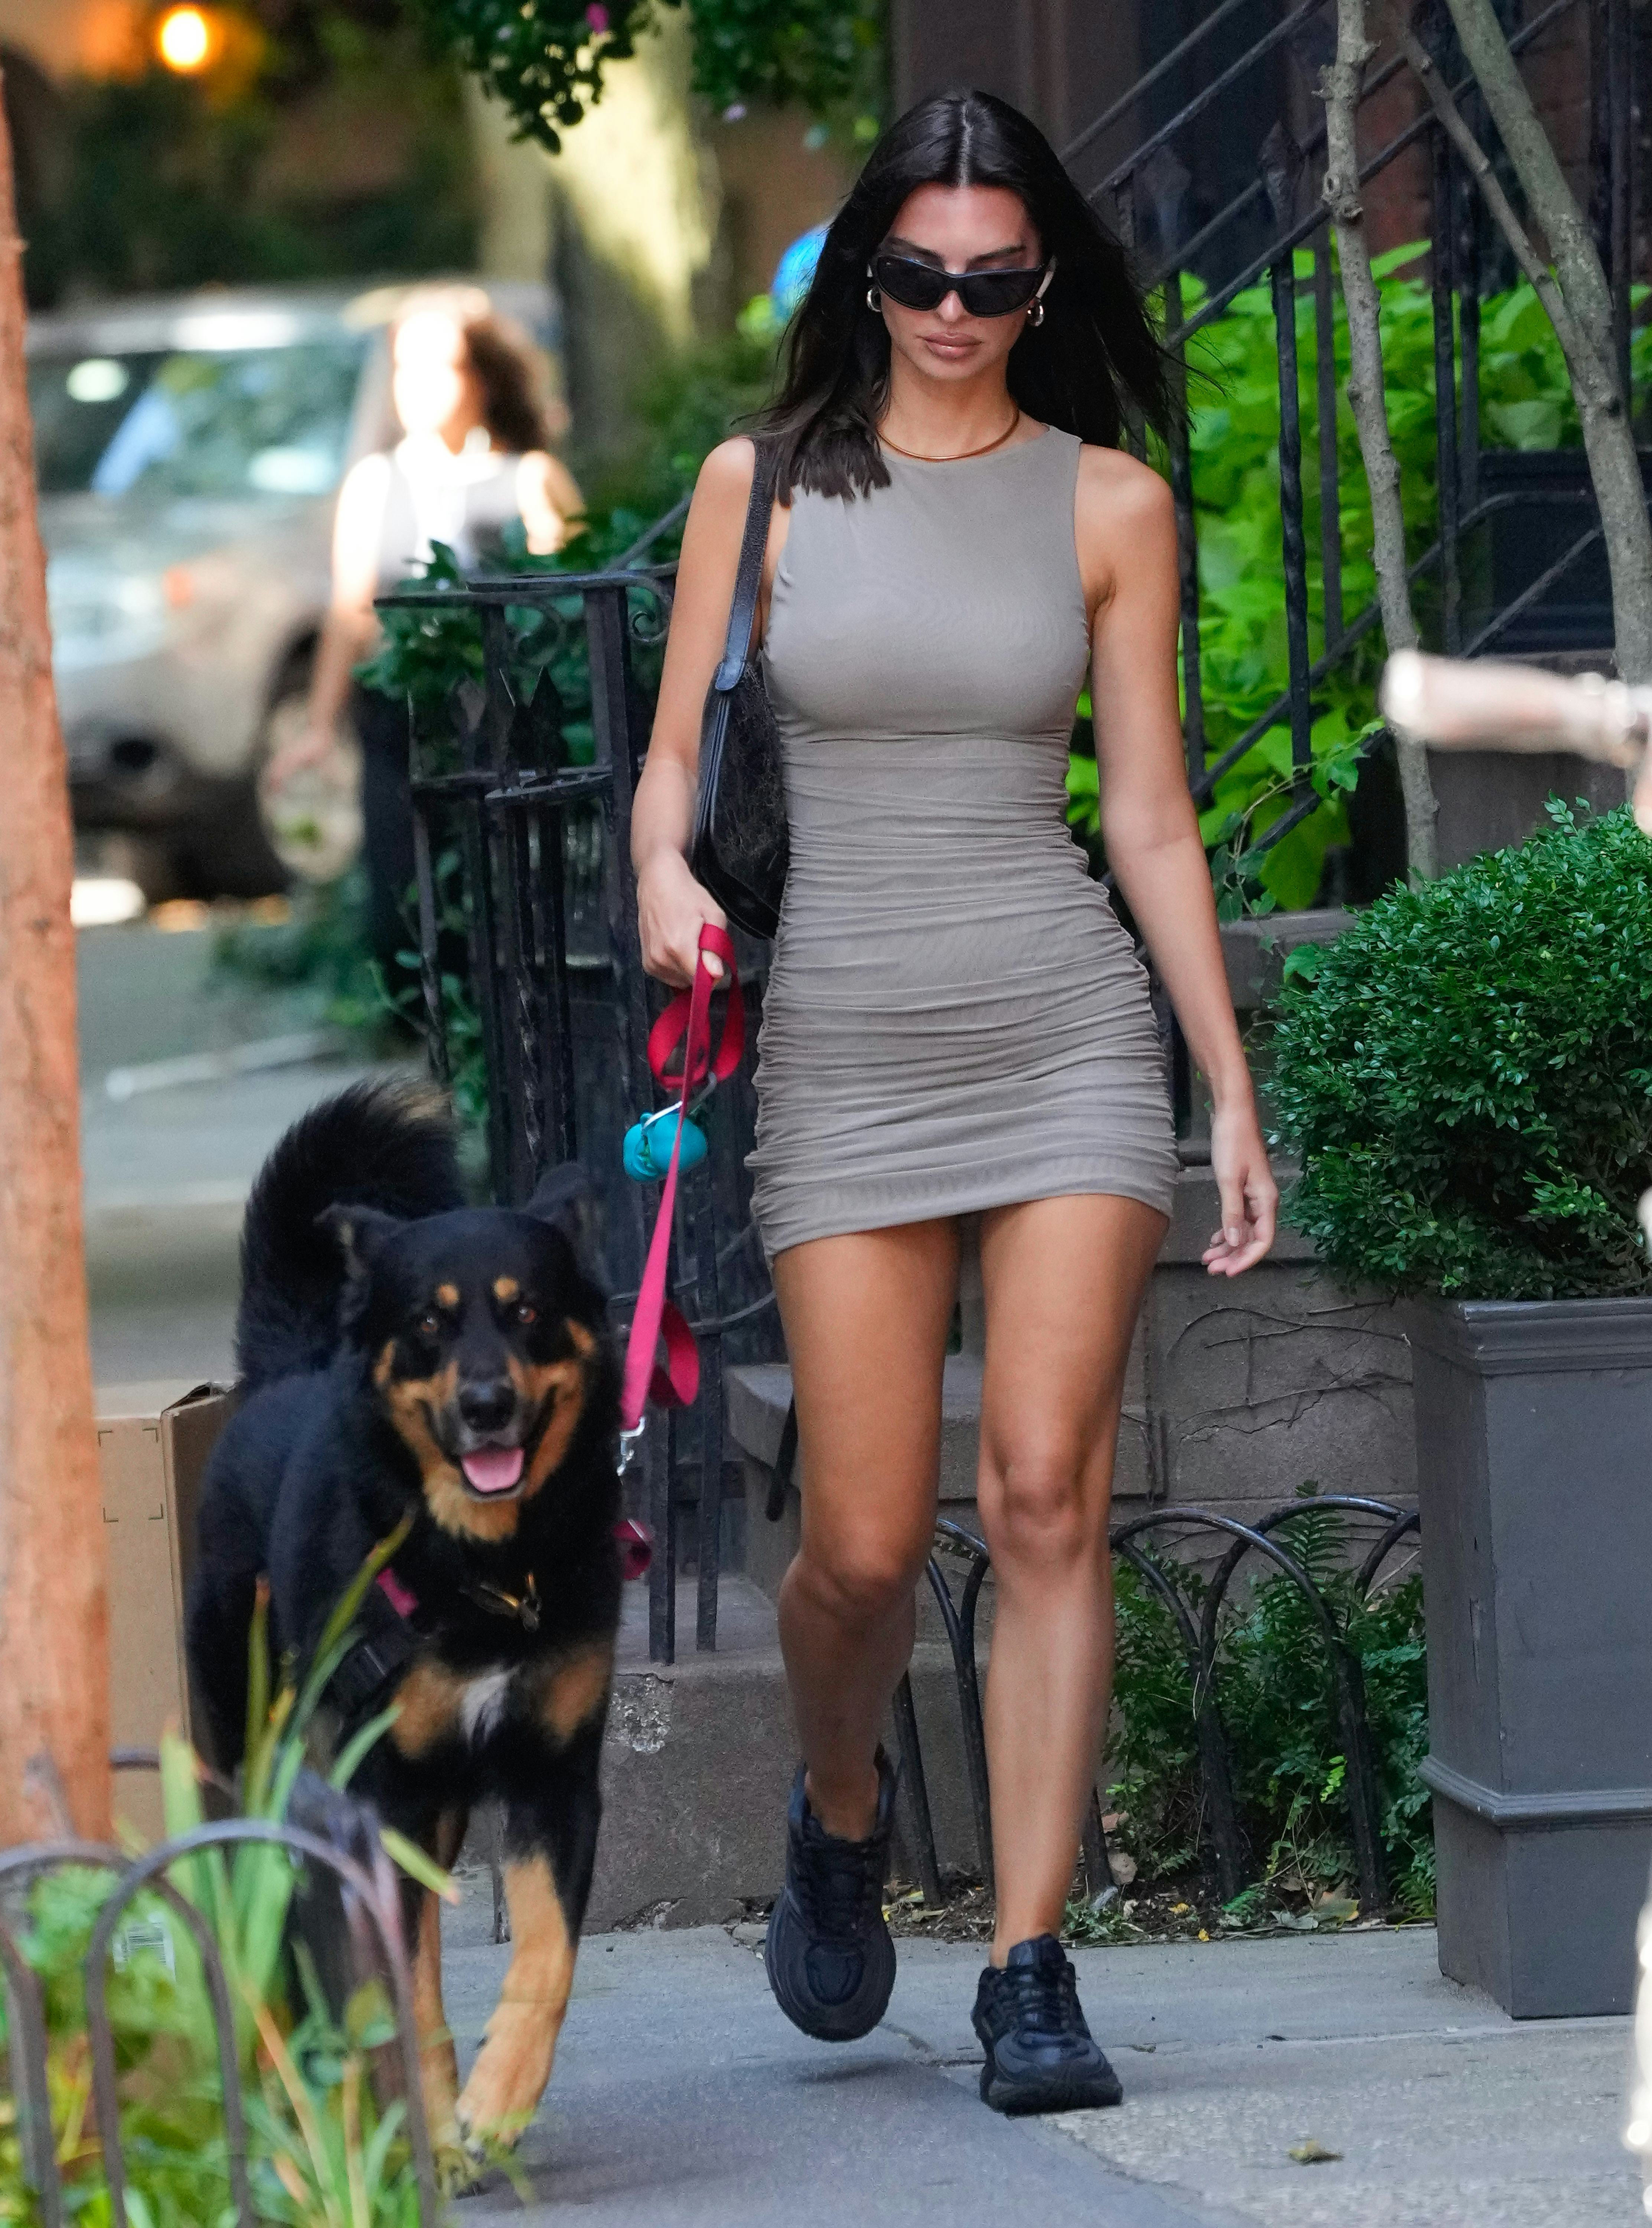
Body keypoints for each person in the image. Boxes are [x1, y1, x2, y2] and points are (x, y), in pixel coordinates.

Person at [630, 89, 1278, 2117]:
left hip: (1063, 1024)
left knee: (1044, 1496)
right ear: (863, 271)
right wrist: (661, 871)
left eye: (994, 282)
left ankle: (1025, 1960)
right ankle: (840, 1817)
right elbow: (671, 770)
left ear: (1042, 284)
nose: (952, 310)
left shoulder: (1108, 506)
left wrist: (1227, 1091)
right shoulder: (767, 483)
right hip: (843, 1034)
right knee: (860, 1541)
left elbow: (1153, 824)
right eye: (916, 273)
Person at [270, 289, 582, 991]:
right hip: (400, 725)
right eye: (403, 368)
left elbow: (569, 605)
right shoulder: (375, 483)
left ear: (479, 377)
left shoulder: (529, 478)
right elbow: (350, 611)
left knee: (503, 902)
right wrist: (320, 727)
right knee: (400, 908)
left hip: (501, 720)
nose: (416, 387)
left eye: (437, 366)